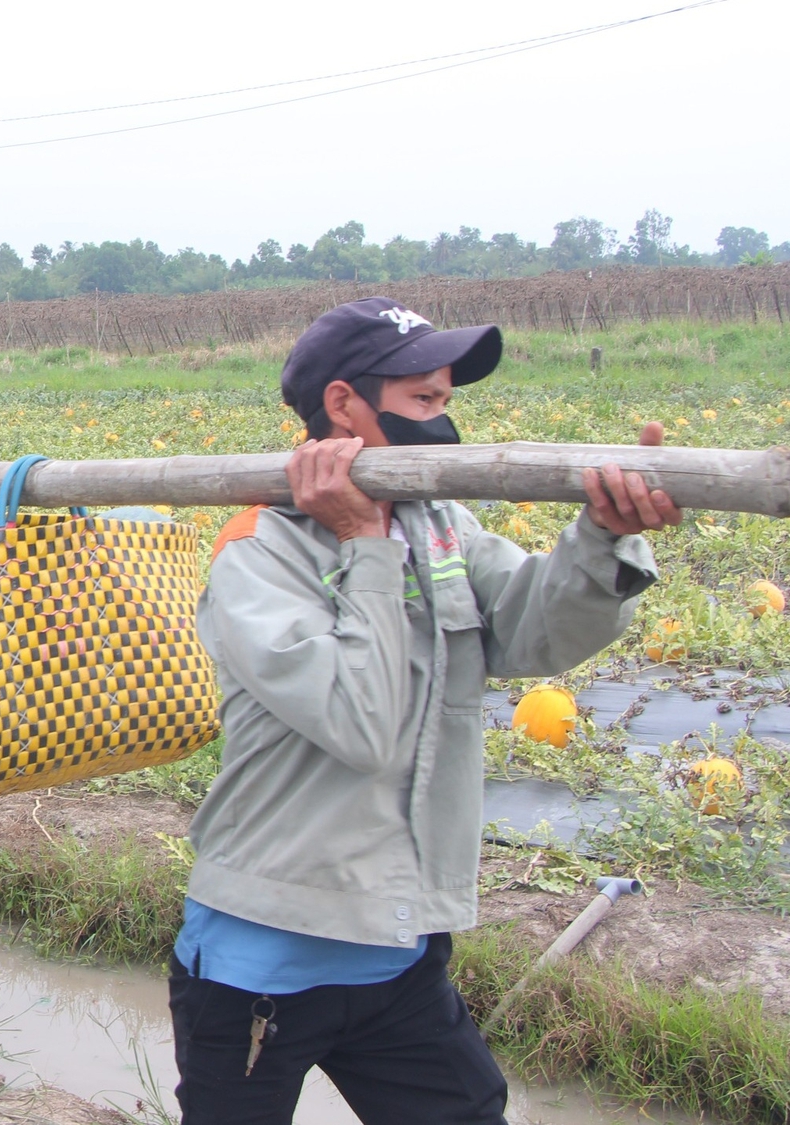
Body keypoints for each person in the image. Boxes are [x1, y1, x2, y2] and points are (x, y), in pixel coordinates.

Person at [171, 298, 682, 1125]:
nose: (445, 426)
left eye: (447, 403)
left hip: (396, 949)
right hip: (263, 958)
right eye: (426, 403)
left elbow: (531, 629)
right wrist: (366, 546)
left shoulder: (442, 524)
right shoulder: (258, 552)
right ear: (344, 405)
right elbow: (360, 725)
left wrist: (601, 538)